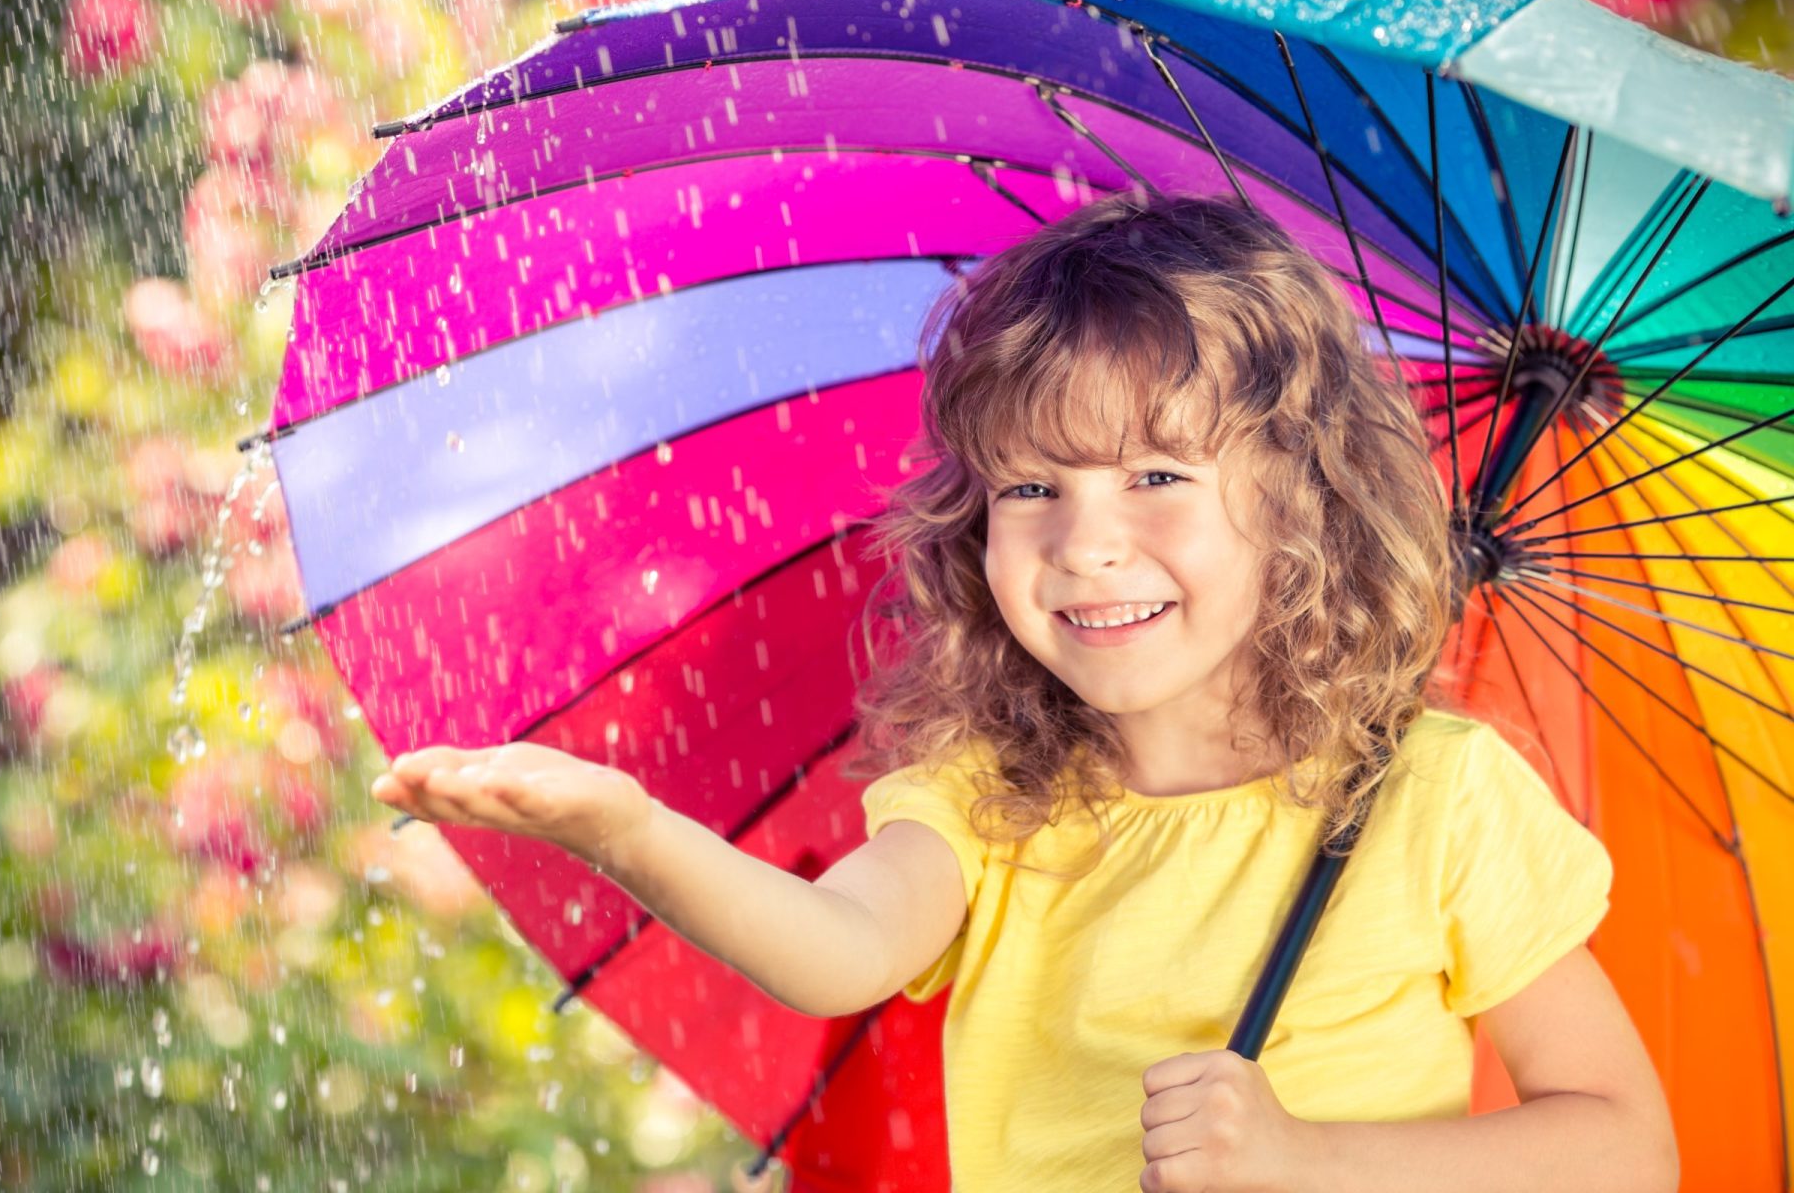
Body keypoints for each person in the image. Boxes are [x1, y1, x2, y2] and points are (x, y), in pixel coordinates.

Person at [367, 192, 1679, 1193]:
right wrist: (626, 829)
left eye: (1157, 479)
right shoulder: (991, 805)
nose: (1084, 542)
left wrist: (1305, 1158)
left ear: (1297, 509)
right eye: (1032, 489)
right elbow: (836, 956)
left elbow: (1625, 1144)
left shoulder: (1434, 797)